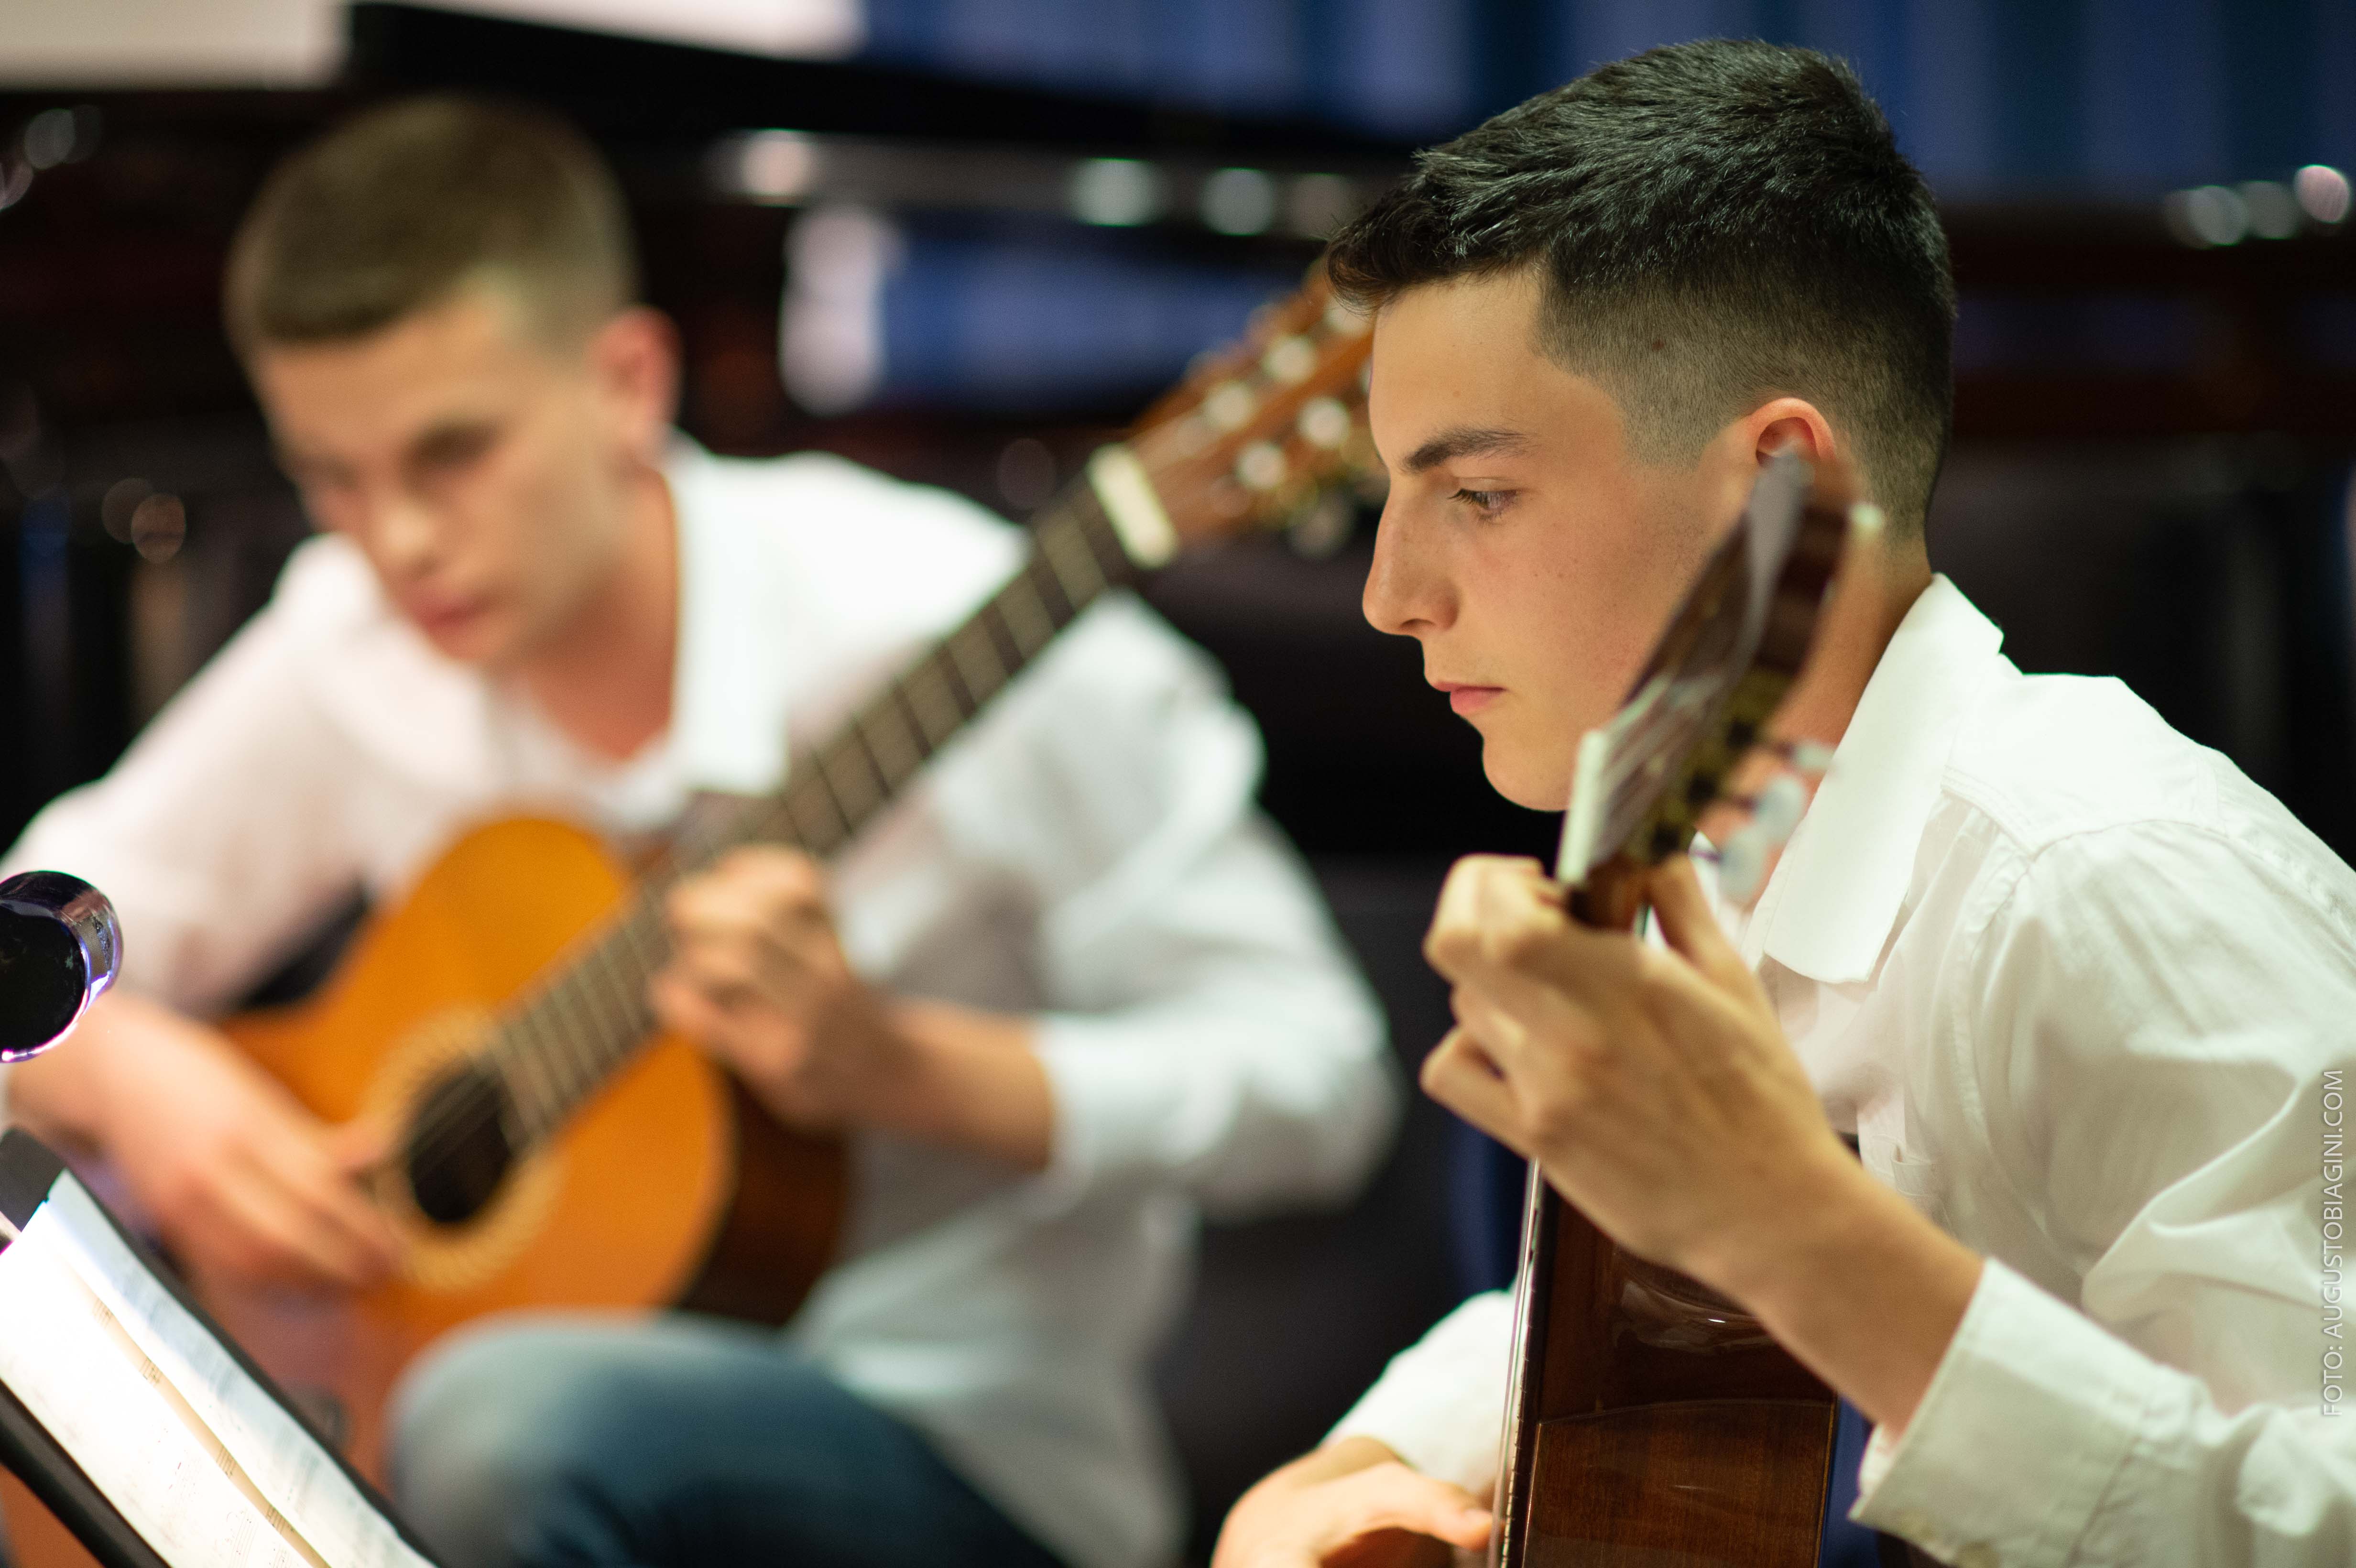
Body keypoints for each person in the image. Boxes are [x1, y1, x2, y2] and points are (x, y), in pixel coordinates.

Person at [0, 97, 1396, 1568]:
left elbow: (1324, 1084)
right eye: (331, 479)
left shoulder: (954, 631)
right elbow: (36, 935)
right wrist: (139, 1077)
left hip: (949, 1454)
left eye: (451, 455)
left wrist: (913, 1070)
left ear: (627, 380)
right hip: (430, 1411)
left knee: (507, 1418)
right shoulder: (356, 642)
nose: (395, 538)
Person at [1212, 39, 2353, 1568]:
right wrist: (1338, 1479)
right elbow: (1636, 1318)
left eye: (1475, 496)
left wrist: (1792, 1229)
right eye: (1388, 500)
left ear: (1777, 497)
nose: (1388, 597)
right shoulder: (1693, 829)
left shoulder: (2109, 877)